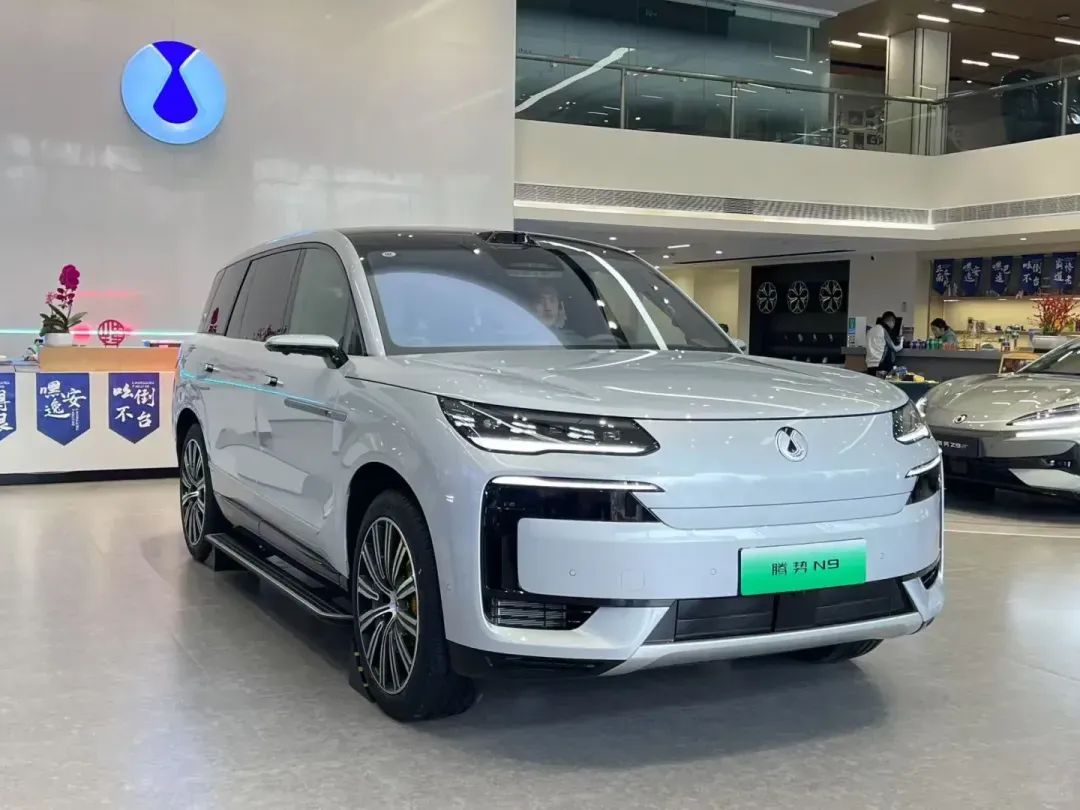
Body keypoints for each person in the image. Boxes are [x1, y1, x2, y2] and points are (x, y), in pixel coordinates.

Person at [866, 310, 902, 376]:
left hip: (870, 365)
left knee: (873, 382)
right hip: (881, 365)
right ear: (891, 321)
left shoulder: (871, 330)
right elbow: (895, 348)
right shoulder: (885, 330)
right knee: (883, 382)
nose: (894, 325)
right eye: (894, 323)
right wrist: (902, 340)